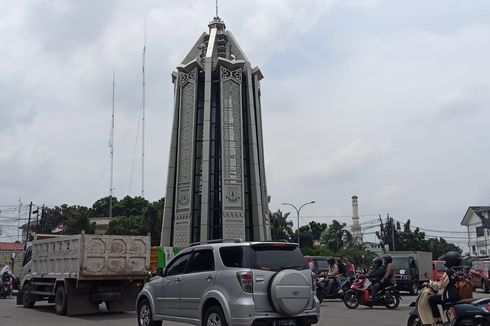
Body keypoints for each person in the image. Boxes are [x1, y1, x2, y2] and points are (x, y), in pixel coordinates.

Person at [427, 251, 464, 323]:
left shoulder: (449, 272)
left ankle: (438, 321)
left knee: (432, 299)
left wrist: (430, 283)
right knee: (441, 297)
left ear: (450, 262)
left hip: (452, 298)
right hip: (463, 297)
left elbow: (439, 286)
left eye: (446, 260)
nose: (445, 262)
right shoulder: (464, 270)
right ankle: (446, 316)